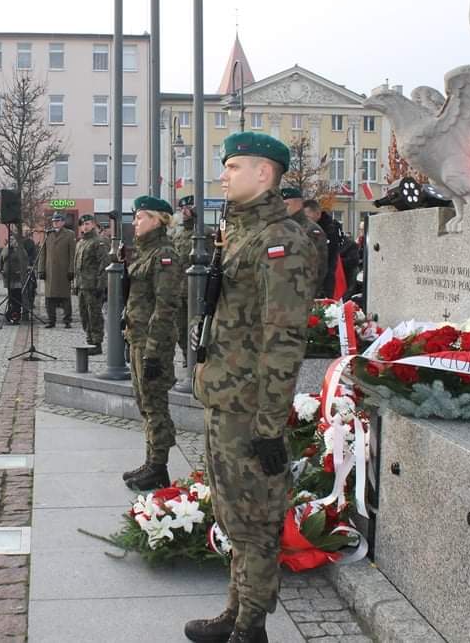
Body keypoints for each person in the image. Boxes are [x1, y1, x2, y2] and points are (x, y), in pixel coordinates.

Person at [186, 132, 317, 643]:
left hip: (249, 407)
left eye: (234, 166)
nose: (224, 174)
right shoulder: (243, 230)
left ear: (264, 173)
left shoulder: (281, 240)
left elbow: (283, 340)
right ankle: (235, 611)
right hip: (225, 397)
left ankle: (251, 627)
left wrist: (269, 424)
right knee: (233, 514)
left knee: (257, 522)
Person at [120, 197, 180, 491]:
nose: (135, 222)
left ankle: (159, 467)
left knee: (155, 404)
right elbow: (137, 299)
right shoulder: (145, 253)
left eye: (140, 217)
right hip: (138, 339)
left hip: (153, 345)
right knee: (145, 404)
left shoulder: (164, 255)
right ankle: (151, 461)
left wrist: (154, 352)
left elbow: (165, 307)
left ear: (157, 220)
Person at [168, 195, 214, 363]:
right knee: (180, 326)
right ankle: (187, 355)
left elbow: (211, 260)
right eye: (181, 209)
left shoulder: (205, 232)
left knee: (196, 325)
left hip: (196, 289)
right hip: (179, 288)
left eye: (187, 208)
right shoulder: (177, 233)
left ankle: (198, 357)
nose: (184, 212)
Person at [282, 187, 327, 300]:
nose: (283, 208)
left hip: (302, 295)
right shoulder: (281, 227)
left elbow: (319, 266)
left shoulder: (311, 230)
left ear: (299, 204)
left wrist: (308, 295)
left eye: (286, 205)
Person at [73, 214, 110, 355]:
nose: (85, 226)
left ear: (93, 224)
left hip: (93, 286)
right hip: (82, 285)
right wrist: (75, 284)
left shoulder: (99, 242)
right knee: (84, 315)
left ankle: (97, 343)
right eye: (82, 224)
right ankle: (89, 340)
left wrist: (101, 285)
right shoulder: (80, 243)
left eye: (87, 224)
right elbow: (77, 265)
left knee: (94, 315)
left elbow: (104, 264)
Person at [37, 212, 76, 329]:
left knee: (65, 297)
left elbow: (72, 254)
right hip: (50, 271)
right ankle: (51, 320)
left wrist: (71, 270)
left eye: (58, 221)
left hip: (64, 271)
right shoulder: (48, 234)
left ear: (63, 222)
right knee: (49, 297)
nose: (56, 223)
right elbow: (42, 253)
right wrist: (41, 269)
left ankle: (67, 320)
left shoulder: (69, 234)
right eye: (54, 221)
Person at [303, 199, 343, 299]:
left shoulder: (329, 229)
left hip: (325, 278)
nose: (306, 220)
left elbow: (327, 256)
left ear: (317, 213)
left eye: (307, 216)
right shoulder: (308, 228)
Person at [0, 232, 29, 324]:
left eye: (13, 239)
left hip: (18, 277)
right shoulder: (6, 249)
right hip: (8, 277)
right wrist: (1, 270)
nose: (11, 241)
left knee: (17, 297)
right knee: (11, 297)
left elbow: (25, 262)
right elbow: (2, 259)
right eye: (10, 239)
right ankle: (11, 315)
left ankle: (15, 315)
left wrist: (22, 271)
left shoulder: (21, 250)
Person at [20, 226, 38, 321]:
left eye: (27, 231)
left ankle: (30, 303)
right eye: (25, 231)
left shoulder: (31, 243)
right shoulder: (18, 242)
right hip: (20, 269)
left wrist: (29, 264)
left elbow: (33, 255)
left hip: (29, 267)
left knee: (32, 286)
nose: (26, 232)